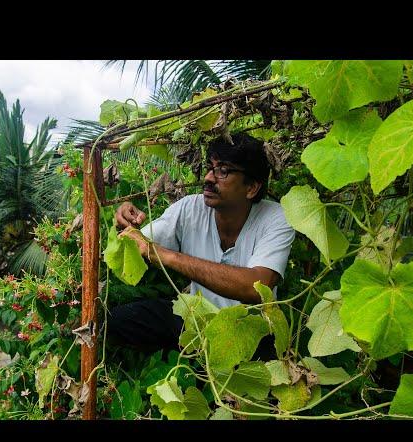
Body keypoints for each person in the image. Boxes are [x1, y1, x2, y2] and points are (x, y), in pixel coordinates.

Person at [107, 133, 296, 354]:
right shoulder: (190, 208)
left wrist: (166, 255)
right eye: (210, 167)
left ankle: (197, 369)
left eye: (223, 171)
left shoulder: (276, 218)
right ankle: (170, 369)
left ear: (252, 187)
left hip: (252, 333)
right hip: (198, 321)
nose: (208, 178)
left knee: (264, 353)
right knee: (120, 319)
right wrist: (126, 221)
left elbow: (257, 287)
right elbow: (139, 241)